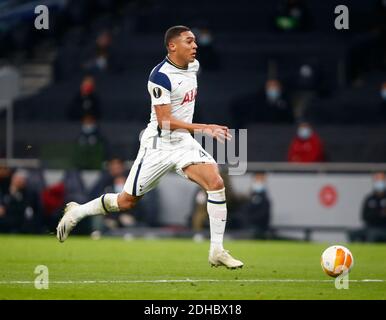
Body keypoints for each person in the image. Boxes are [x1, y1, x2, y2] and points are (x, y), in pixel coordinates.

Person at [56, 25, 243, 269]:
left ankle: (216, 250)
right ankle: (77, 212)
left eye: (195, 41)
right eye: (189, 41)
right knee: (126, 202)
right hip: (158, 145)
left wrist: (195, 130)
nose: (195, 45)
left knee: (216, 183)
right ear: (172, 46)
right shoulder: (159, 76)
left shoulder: (194, 67)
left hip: (183, 142)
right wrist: (204, 127)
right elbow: (165, 122)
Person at [350, 172, 386, 242]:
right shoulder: (369, 198)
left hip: (383, 228)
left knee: (373, 235)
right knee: (352, 233)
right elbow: (364, 216)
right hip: (370, 227)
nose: (380, 182)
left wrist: (376, 215)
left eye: (382, 180)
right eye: (377, 180)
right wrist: (380, 214)